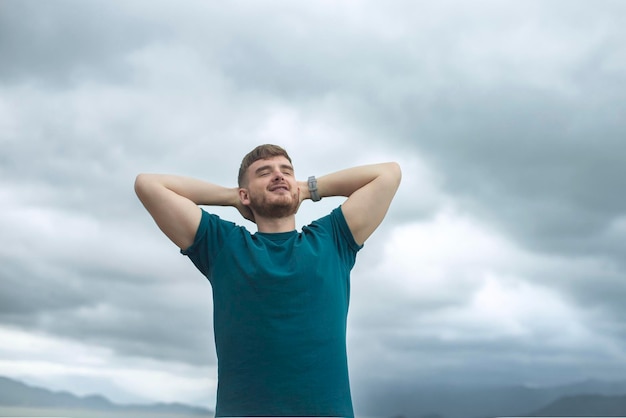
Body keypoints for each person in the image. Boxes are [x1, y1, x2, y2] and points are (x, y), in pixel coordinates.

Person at [134, 144, 401, 417]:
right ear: (245, 193)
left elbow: (389, 174)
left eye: (286, 171)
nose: (278, 176)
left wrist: (309, 189)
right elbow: (149, 184)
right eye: (264, 172)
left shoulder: (333, 239)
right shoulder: (222, 245)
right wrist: (233, 197)